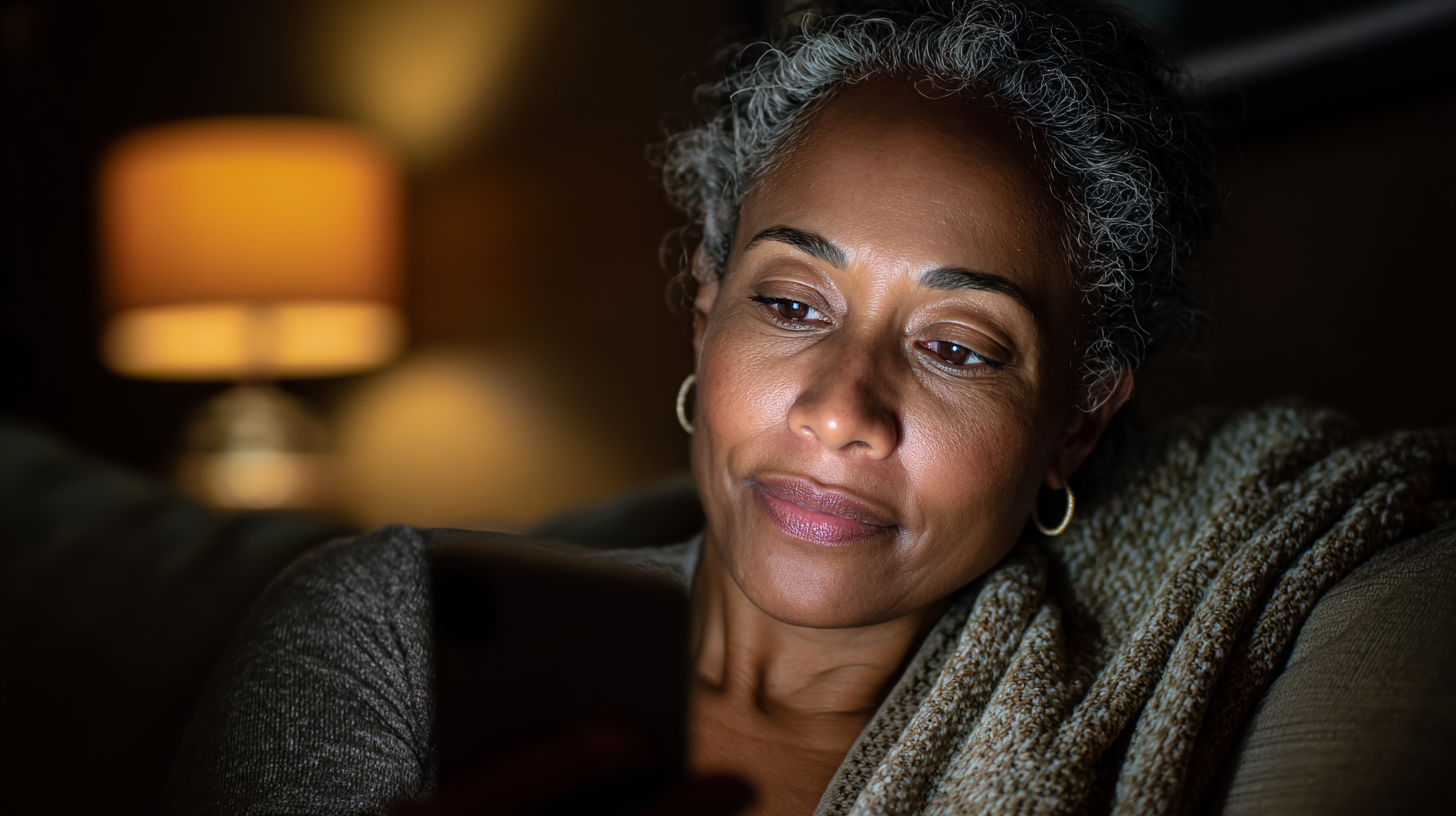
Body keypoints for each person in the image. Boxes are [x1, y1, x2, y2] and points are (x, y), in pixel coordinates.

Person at [162, 2, 1456, 815]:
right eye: (791, 307)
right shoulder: (388, 638)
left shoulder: (1167, 646)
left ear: (1077, 421)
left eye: (957, 344)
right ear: (703, 313)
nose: (843, 409)